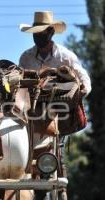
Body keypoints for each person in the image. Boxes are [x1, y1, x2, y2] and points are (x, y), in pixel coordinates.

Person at [18, 11, 91, 200]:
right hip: (33, 114)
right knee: (28, 150)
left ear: (50, 33)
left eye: (41, 33)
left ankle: (57, 185)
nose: (37, 37)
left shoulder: (65, 56)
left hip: (60, 113)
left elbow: (84, 80)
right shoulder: (26, 58)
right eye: (35, 33)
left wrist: (77, 93)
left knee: (56, 147)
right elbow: (20, 86)